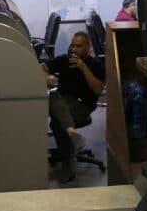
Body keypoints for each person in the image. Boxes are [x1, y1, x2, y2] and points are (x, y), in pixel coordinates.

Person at [40, 31, 106, 183]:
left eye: (79, 46)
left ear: (88, 47)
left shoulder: (95, 65)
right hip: (62, 100)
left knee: (56, 122)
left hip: (82, 104)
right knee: (54, 96)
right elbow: (42, 66)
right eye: (73, 45)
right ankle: (71, 132)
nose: (74, 49)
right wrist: (46, 77)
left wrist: (83, 68)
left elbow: (97, 89)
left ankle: (68, 162)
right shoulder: (65, 59)